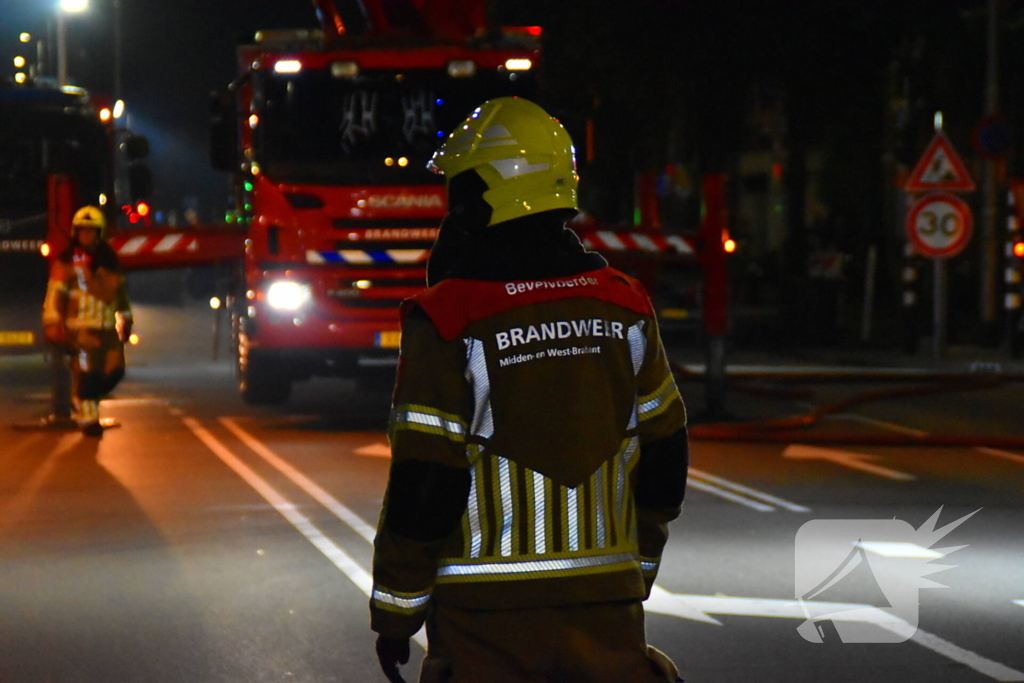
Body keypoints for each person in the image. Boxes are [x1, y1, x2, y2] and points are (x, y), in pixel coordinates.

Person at [370, 97, 689, 683]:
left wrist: (396, 611)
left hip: (484, 625)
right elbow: (665, 456)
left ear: (480, 196)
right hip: (607, 615)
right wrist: (633, 573)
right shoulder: (623, 304)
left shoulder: (448, 317)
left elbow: (425, 481)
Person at [42, 205, 133, 436]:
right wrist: (52, 324)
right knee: (86, 375)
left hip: (107, 330)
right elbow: (55, 294)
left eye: (91, 231)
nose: (86, 236)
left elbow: (120, 297)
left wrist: (126, 320)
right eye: (82, 231)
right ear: (75, 233)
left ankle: (85, 402)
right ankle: (89, 421)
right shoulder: (66, 262)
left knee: (116, 371)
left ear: (99, 233)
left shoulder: (110, 261)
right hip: (80, 331)